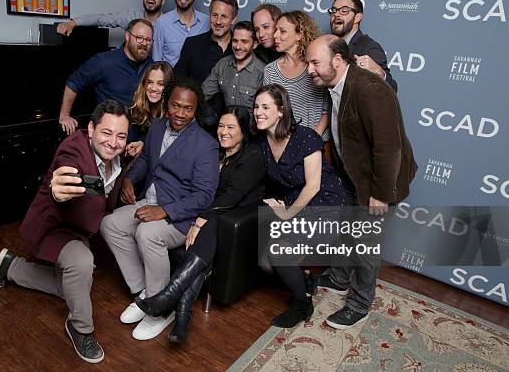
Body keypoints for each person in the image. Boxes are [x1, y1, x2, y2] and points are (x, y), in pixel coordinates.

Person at [0, 100, 130, 364]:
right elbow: (65, 172)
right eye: (106, 133)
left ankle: (11, 267)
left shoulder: (115, 155)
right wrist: (59, 191)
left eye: (121, 136)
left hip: (80, 229)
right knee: (82, 265)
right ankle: (80, 328)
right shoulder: (73, 150)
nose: (113, 142)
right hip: (55, 226)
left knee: (72, 288)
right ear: (91, 129)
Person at [306, 35, 417, 329]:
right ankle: (338, 278)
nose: (309, 70)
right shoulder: (337, 84)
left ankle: (359, 304)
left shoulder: (369, 89)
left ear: (338, 61)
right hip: (355, 177)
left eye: (315, 63)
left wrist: (379, 195)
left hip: (380, 182)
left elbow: (388, 147)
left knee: (366, 244)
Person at [100, 78, 219, 341]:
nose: (181, 113)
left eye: (188, 108)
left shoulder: (205, 144)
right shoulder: (156, 127)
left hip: (180, 216)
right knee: (109, 224)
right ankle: (144, 294)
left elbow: (205, 195)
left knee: (148, 234)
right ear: (167, 104)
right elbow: (145, 160)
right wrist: (130, 178)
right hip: (148, 202)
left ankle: (160, 309)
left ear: (196, 109)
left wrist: (164, 210)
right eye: (176, 106)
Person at [135, 106, 265, 343]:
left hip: (235, 218)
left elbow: (233, 197)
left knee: (210, 228)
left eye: (230, 127)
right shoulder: (216, 153)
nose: (223, 132)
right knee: (204, 237)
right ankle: (182, 316)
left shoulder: (252, 156)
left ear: (244, 131)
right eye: (221, 126)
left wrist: (200, 219)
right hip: (214, 215)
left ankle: (168, 298)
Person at [253, 83, 352, 328]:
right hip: (296, 203)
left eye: (266, 107)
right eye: (256, 106)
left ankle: (302, 304)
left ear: (281, 111)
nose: (258, 112)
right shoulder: (261, 143)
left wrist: (287, 213)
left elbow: (313, 186)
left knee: (277, 254)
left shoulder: (305, 136)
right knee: (265, 262)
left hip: (327, 205)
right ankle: (305, 282)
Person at [59, 18, 153, 135]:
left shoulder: (151, 65)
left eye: (148, 40)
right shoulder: (104, 61)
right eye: (139, 38)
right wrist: (64, 115)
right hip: (109, 136)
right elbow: (73, 83)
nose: (144, 43)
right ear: (128, 36)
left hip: (139, 138)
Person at [263, 11, 329, 141]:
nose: (275, 35)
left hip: (318, 142)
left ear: (299, 34)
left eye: (282, 31)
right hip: (285, 143)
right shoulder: (270, 70)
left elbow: (328, 108)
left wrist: (313, 138)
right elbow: (269, 110)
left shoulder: (316, 66)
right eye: (276, 30)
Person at [329, 0, 397, 92]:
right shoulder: (327, 46)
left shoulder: (369, 47)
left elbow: (392, 88)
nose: (336, 14)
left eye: (344, 11)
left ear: (357, 17)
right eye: (334, 11)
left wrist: (378, 72)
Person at [56, 0, 166, 35]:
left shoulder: (168, 24)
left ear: (163, 1)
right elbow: (101, 19)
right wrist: (73, 22)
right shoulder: (130, 16)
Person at [201, 21, 264, 117]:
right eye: (235, 41)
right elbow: (203, 94)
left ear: (255, 44)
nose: (238, 46)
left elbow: (265, 112)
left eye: (244, 42)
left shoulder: (262, 72)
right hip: (226, 125)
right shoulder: (223, 64)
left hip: (251, 128)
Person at [174, 0, 237, 85]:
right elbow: (178, 80)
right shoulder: (192, 44)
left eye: (223, 16)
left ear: (233, 19)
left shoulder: (241, 48)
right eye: (214, 15)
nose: (218, 21)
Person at [152, 0, 210, 66]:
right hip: (170, 80)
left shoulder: (207, 22)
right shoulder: (162, 23)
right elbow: (156, 61)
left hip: (199, 81)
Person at [125, 61, 174, 157]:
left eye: (160, 84)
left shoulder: (173, 114)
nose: (154, 88)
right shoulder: (137, 107)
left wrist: (143, 145)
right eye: (150, 82)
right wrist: (139, 144)